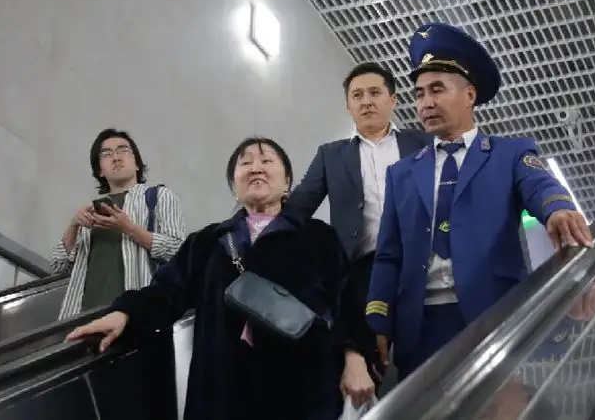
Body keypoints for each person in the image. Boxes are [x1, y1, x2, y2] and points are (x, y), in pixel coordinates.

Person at [66, 137, 376, 420]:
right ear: (234, 187)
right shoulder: (209, 242)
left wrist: (355, 358)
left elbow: (347, 302)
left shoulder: (317, 237)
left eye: (267, 161)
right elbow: (166, 291)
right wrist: (124, 313)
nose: (255, 168)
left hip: (302, 392)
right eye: (245, 163)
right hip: (222, 393)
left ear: (287, 184)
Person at [365, 23, 595, 382]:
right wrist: (377, 321)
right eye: (419, 94)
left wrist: (558, 208)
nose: (426, 103)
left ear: (469, 95)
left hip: (494, 316)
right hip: (420, 328)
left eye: (437, 89)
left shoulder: (509, 154)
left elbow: (539, 184)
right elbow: (388, 255)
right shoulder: (401, 174)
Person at [287, 62, 432, 383]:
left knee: (426, 363)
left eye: (374, 93)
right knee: (366, 368)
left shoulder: (423, 144)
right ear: (348, 106)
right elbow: (298, 208)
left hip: (422, 265)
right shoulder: (331, 155)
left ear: (392, 100)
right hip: (363, 273)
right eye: (357, 95)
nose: (366, 101)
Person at [50, 128, 187, 319]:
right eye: (106, 154)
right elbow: (57, 265)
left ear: (137, 163)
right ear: (100, 170)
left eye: (123, 150)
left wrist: (129, 228)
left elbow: (179, 251)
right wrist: (73, 225)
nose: (116, 157)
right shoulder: (91, 211)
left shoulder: (159, 197)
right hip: (81, 318)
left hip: (136, 317)